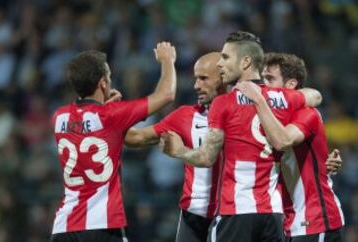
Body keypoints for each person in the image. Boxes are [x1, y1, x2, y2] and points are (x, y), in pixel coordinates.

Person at [160, 31, 321, 242]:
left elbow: (206, 158)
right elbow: (315, 96)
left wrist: (178, 150)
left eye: (226, 57)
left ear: (245, 62)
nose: (220, 64)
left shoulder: (223, 102)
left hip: (235, 211)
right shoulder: (284, 97)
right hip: (272, 213)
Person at [50, 42, 177, 242]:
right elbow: (166, 94)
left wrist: (106, 106)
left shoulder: (59, 117)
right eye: (108, 76)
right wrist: (167, 60)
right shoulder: (110, 116)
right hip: (102, 226)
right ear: (102, 83)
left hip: (64, 228)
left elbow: (88, 124)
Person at [236, 52, 344, 242]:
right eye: (262, 78)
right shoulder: (261, 117)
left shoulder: (307, 113)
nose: (263, 85)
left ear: (291, 85)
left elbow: (283, 141)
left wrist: (259, 100)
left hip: (314, 219)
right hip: (283, 222)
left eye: (270, 79)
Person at [124, 52, 225, 242]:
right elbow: (136, 137)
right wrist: (109, 118)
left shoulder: (243, 114)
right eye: (196, 79)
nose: (196, 85)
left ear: (224, 77)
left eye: (203, 78)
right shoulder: (184, 116)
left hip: (228, 215)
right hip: (191, 216)